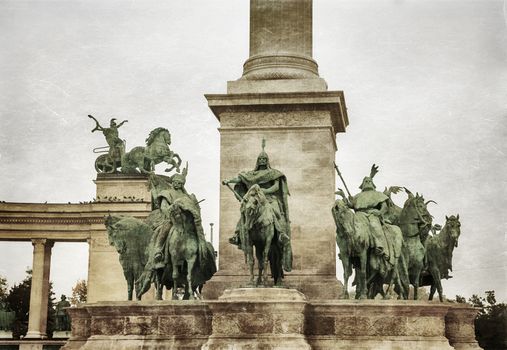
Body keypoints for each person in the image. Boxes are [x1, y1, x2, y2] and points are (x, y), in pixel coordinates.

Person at [222, 139, 292, 273]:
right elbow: (239, 179)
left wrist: (263, 191)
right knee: (245, 213)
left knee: (275, 212)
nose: (262, 161)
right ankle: (237, 235)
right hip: (254, 199)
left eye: (264, 159)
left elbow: (276, 187)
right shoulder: (251, 174)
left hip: (270, 199)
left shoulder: (273, 173)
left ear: (267, 160)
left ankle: (281, 233)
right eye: (260, 159)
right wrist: (228, 180)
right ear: (257, 160)